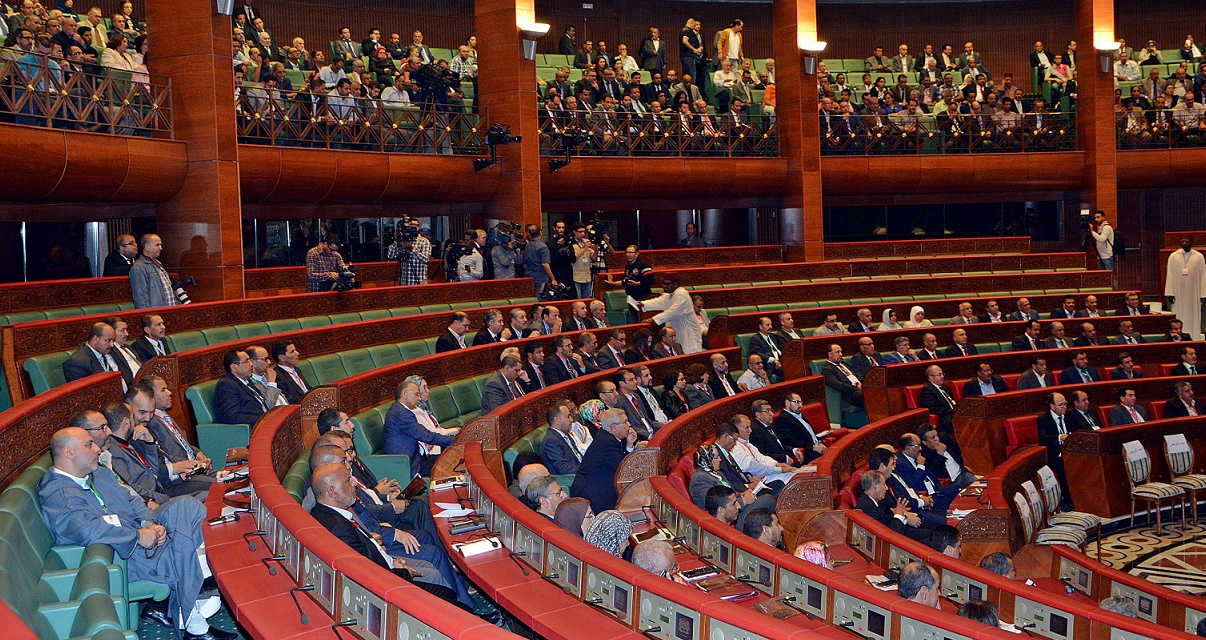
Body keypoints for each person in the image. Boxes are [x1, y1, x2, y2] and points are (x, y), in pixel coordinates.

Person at [39, 427, 231, 639]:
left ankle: (191, 591)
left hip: (139, 531)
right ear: (69, 452)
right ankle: (195, 619)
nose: (97, 449)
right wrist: (139, 536)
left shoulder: (98, 472)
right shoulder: (58, 492)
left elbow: (131, 499)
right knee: (189, 549)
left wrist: (148, 522)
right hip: (119, 554)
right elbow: (88, 530)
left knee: (187, 506)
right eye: (89, 444)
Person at [383, 381, 459, 476]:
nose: (419, 399)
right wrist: (456, 440)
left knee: (450, 460)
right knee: (450, 465)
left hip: (416, 458)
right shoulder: (401, 413)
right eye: (416, 394)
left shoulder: (397, 409)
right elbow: (426, 435)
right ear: (405, 394)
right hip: (408, 465)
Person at [573, 408, 637, 513]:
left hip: (599, 489)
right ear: (614, 427)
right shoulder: (607, 443)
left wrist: (629, 445)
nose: (629, 424)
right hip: (592, 495)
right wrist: (629, 446)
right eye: (625, 422)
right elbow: (624, 470)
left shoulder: (607, 437)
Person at [637, 272, 701, 354]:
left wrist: (654, 319)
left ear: (676, 284)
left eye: (667, 284)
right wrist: (643, 304)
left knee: (687, 353)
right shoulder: (669, 295)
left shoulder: (682, 294)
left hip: (687, 332)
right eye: (663, 283)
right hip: (676, 331)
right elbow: (659, 302)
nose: (664, 286)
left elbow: (674, 312)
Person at [212, 350, 268, 425]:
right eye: (246, 361)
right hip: (251, 428)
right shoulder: (227, 385)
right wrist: (263, 419)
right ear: (234, 367)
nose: (251, 364)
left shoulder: (247, 381)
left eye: (250, 360)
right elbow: (232, 416)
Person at [1165, 235, 1205, 340]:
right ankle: (1177, 338)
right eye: (1183, 241)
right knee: (1178, 314)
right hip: (1178, 293)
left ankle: (1194, 338)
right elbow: (1170, 274)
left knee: (1194, 316)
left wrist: (1203, 294)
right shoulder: (1173, 256)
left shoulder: (1199, 257)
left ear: (1191, 243)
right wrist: (1170, 292)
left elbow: (1203, 276)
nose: (1184, 243)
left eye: (1187, 242)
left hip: (1193, 293)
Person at [918, 425, 977, 489]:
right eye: (932, 438)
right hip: (949, 483)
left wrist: (961, 465)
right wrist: (940, 455)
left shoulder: (944, 438)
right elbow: (932, 473)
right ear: (924, 442)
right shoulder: (923, 454)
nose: (937, 439)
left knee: (980, 487)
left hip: (962, 474)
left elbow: (957, 451)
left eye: (936, 435)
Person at [129, 234, 178, 309]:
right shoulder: (138, 268)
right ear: (147, 247)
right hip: (156, 314)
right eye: (157, 245)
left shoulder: (158, 263)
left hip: (169, 310)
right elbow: (140, 297)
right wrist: (148, 317)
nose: (160, 248)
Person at [822, 344, 864, 410]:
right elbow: (838, 385)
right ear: (829, 354)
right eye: (837, 352)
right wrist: (855, 388)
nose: (841, 354)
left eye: (841, 352)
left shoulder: (844, 364)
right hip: (850, 395)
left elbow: (855, 377)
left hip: (860, 389)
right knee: (869, 397)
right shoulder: (827, 369)